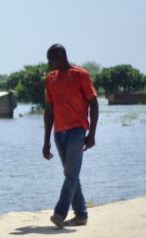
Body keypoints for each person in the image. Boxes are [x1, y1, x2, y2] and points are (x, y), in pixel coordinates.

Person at [43, 44, 99, 228]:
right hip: (59, 133)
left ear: (60, 56)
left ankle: (60, 213)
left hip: (77, 131)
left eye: (50, 59)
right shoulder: (50, 79)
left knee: (71, 174)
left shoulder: (80, 75)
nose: (48, 63)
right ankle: (81, 215)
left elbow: (94, 103)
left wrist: (91, 134)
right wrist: (46, 141)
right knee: (71, 174)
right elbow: (49, 111)